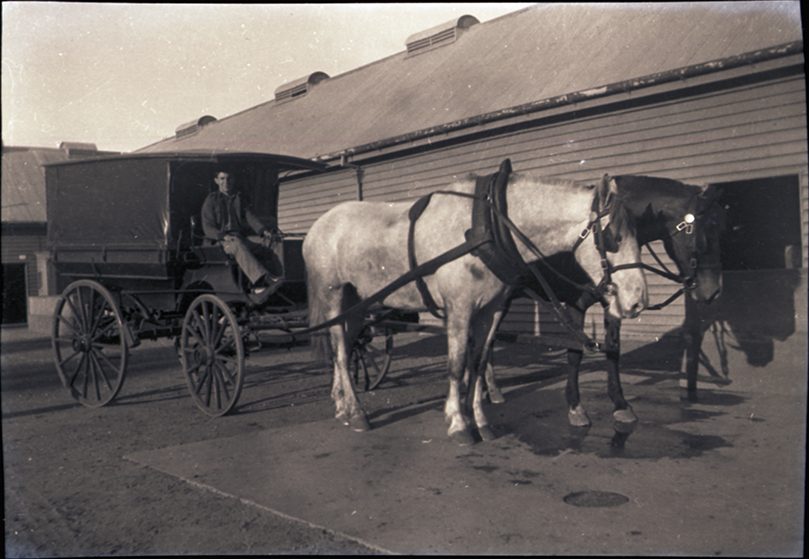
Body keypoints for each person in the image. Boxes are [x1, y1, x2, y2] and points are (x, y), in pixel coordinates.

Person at [201, 170, 281, 298]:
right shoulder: (211, 200)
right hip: (219, 242)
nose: (226, 182)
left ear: (233, 181)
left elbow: (250, 217)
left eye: (228, 179)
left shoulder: (238, 199)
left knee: (273, 242)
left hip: (239, 237)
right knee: (237, 244)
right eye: (222, 179)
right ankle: (261, 282)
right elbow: (208, 227)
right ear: (216, 181)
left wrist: (263, 231)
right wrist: (224, 236)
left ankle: (280, 277)